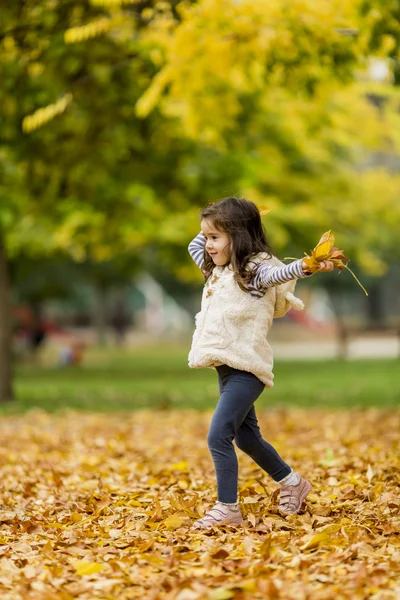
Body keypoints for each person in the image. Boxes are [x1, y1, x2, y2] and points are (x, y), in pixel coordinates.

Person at [187, 197, 334, 529]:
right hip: (227, 367)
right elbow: (194, 243)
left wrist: (308, 265)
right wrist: (223, 213)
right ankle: (293, 482)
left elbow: (280, 273)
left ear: (238, 236)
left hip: (247, 370)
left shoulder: (253, 272)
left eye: (215, 237)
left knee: (218, 435)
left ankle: (227, 508)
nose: (207, 244)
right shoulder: (215, 268)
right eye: (207, 237)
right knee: (246, 438)